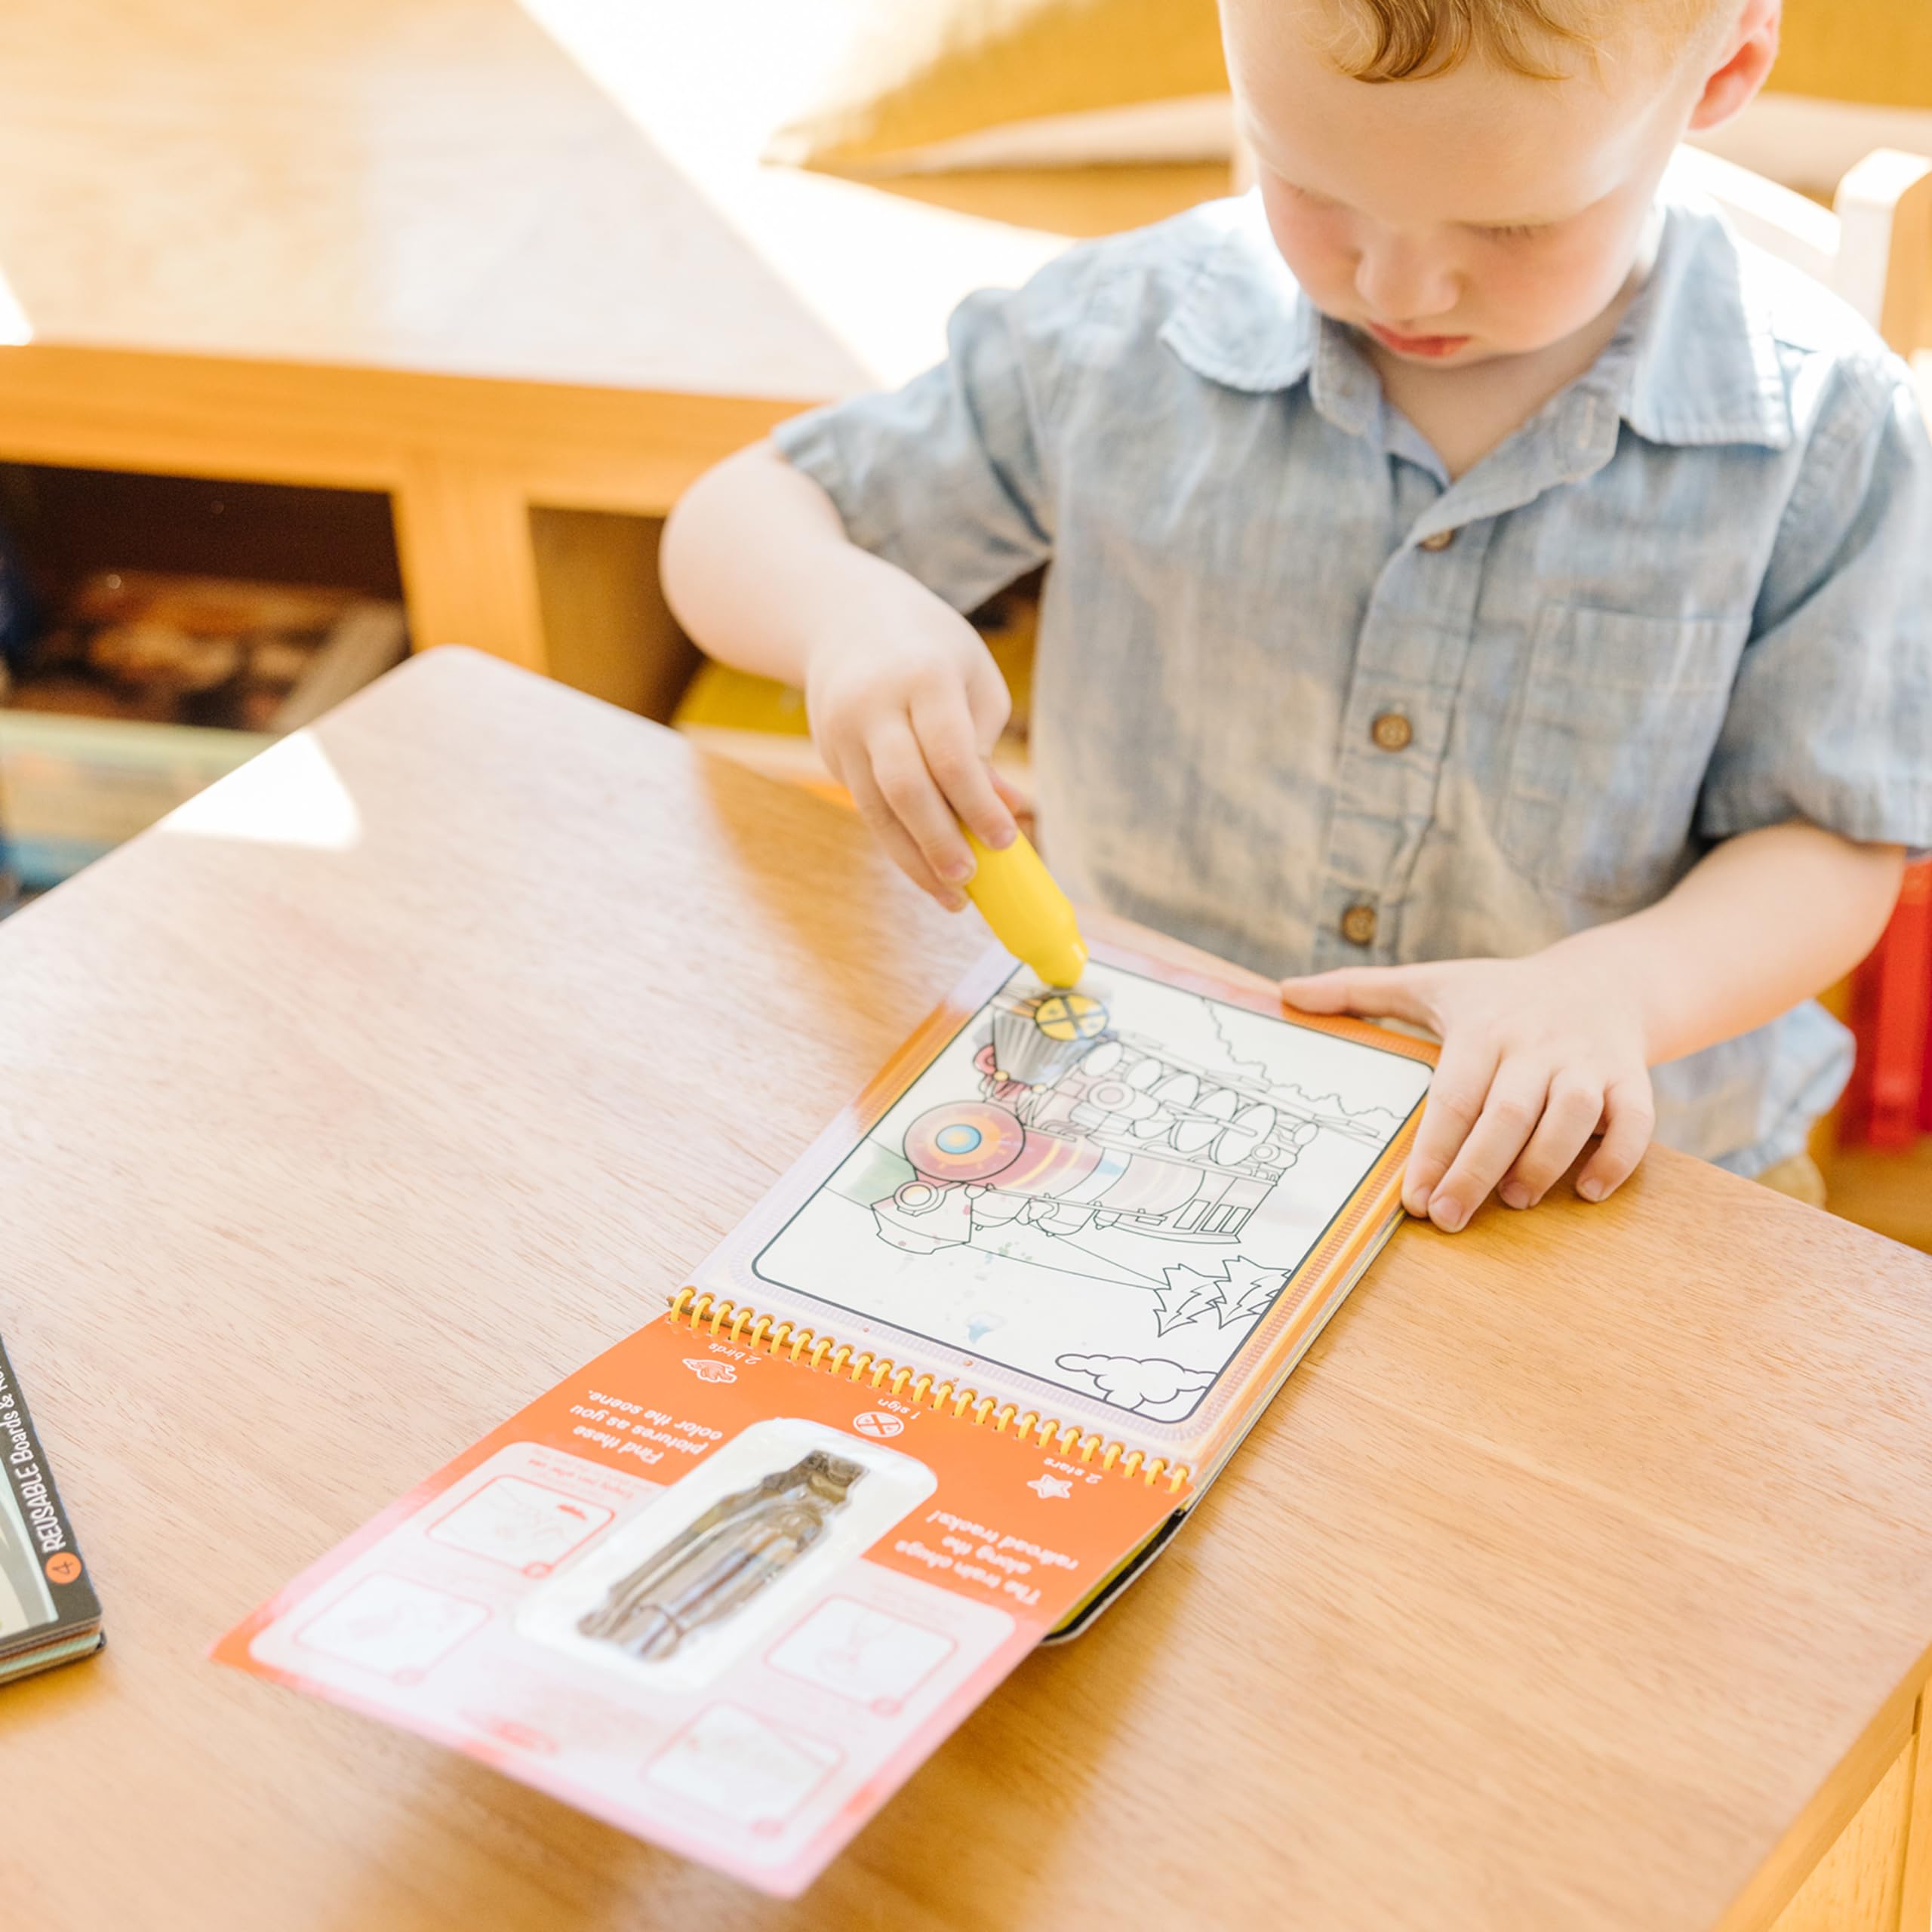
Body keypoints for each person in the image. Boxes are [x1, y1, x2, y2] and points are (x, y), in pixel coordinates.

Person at [660, 0, 1929, 1231]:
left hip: (1592, 1187)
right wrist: (844, 617)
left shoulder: (1833, 432)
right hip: (1147, 1127)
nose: (1400, 281)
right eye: (1309, 183)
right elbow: (737, 518)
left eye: (1508, 221)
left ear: (1724, 72)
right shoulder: (1115, 337)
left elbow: (1831, 839)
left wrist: (1613, 994)